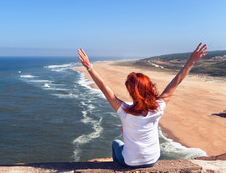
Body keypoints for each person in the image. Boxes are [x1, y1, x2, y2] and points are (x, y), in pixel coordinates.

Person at [77, 43, 208, 168]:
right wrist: (191, 61)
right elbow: (176, 81)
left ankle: (117, 168)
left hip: (130, 162)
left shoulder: (124, 111)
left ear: (131, 92)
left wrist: (89, 67)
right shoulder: (159, 107)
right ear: (150, 88)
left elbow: (104, 88)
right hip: (153, 160)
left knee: (116, 144)